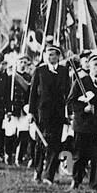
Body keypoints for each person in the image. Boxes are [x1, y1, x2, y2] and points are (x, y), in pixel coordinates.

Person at [28, 42, 70, 183]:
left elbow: (68, 94)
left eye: (52, 54)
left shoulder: (64, 72)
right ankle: (38, 171)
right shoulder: (40, 71)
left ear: (58, 56)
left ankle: (49, 175)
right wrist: (31, 112)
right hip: (42, 113)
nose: (48, 56)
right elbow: (33, 93)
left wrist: (68, 114)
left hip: (58, 114)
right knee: (40, 144)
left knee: (55, 144)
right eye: (47, 54)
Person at [68, 51, 97, 189]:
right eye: (95, 64)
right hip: (82, 126)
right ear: (89, 66)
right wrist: (83, 109)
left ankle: (95, 184)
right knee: (80, 156)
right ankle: (76, 181)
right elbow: (71, 102)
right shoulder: (80, 82)